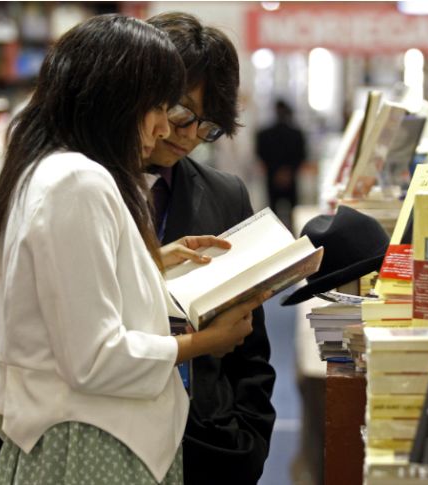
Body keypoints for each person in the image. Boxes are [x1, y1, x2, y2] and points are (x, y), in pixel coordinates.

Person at [0, 14, 267, 484]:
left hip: (93, 435)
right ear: (118, 99)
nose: (167, 130)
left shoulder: (42, 171)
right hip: (96, 441)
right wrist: (207, 342)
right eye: (163, 109)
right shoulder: (80, 182)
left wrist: (148, 261)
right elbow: (95, 358)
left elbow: (67, 295)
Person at [142, 13, 277, 485]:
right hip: (107, 439)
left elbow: (252, 347)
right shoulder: (82, 188)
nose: (189, 135)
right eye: (180, 114)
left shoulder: (225, 195)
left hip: (209, 445)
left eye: (208, 126)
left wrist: (250, 441)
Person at [255, 99, 307, 228]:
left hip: (273, 177)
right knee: (292, 214)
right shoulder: (297, 133)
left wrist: (275, 171)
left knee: (273, 213)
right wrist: (288, 172)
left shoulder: (264, 134)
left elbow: (261, 154)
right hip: (291, 178)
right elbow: (302, 156)